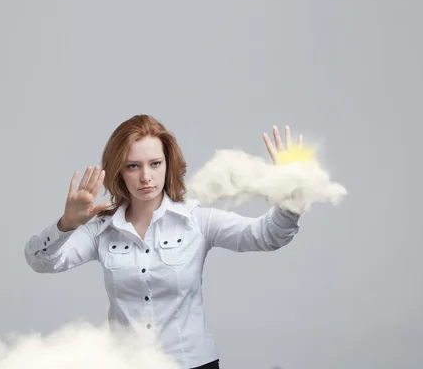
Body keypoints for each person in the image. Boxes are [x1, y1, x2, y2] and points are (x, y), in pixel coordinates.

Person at [24, 114, 303, 369]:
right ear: (119, 170)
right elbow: (40, 261)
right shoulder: (101, 230)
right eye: (133, 166)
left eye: (155, 164)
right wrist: (66, 225)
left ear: (167, 164)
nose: (146, 176)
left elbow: (267, 235)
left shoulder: (196, 220)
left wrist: (290, 195)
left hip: (193, 363)